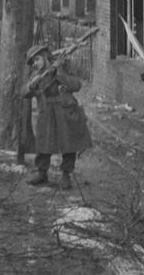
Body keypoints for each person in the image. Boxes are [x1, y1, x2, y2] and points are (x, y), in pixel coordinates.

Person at [22, 44, 93, 190]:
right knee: (43, 142)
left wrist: (59, 74)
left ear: (45, 57)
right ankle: (42, 172)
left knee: (68, 143)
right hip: (46, 111)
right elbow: (23, 93)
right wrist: (31, 85)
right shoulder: (36, 74)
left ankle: (66, 175)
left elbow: (76, 85)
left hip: (64, 109)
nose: (35, 64)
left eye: (36, 60)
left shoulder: (63, 66)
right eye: (33, 62)